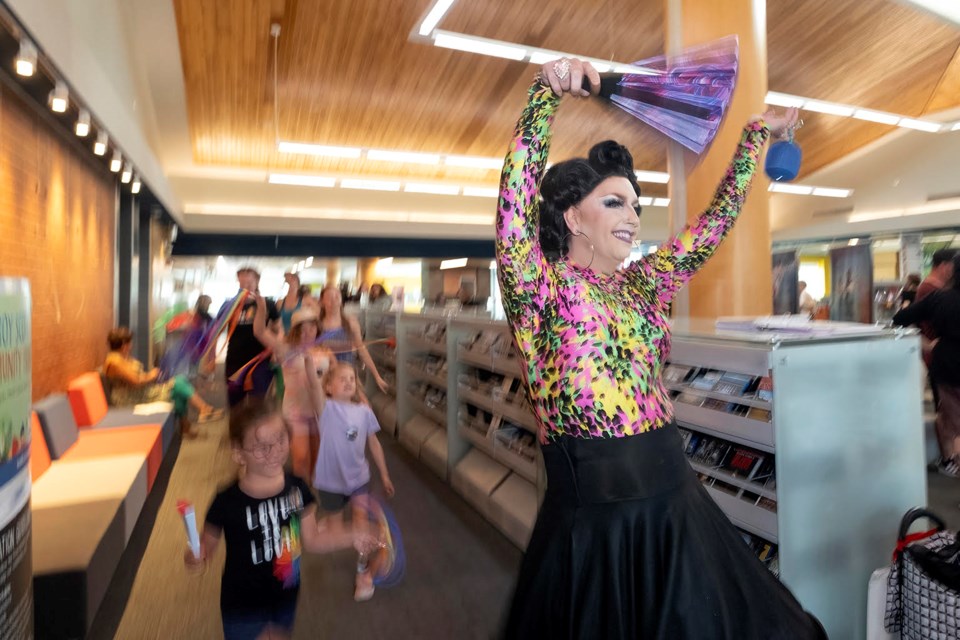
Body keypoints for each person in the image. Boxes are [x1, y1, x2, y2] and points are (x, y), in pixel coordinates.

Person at [496, 58, 823, 638]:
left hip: (675, 507)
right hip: (597, 527)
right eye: (615, 202)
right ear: (573, 216)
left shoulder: (643, 284)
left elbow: (717, 221)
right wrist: (544, 97)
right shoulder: (539, 290)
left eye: (636, 206)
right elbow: (514, 208)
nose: (633, 217)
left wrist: (756, 133)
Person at [186, 399, 376, 640]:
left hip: (285, 597)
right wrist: (195, 556)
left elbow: (314, 539)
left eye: (280, 440)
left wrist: (353, 533)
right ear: (238, 453)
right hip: (242, 604)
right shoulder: (226, 501)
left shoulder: (297, 489)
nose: (274, 452)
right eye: (261, 447)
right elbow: (206, 547)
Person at [313, 362, 395, 602]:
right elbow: (312, 383)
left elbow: (374, 444)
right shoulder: (325, 409)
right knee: (338, 531)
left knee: (360, 528)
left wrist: (385, 474)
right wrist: (309, 363)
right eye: (342, 379)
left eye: (352, 378)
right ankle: (330, 525)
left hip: (359, 478)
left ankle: (363, 573)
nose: (349, 382)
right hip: (329, 482)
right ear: (328, 387)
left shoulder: (364, 411)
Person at [253, 298, 333, 481]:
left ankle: (309, 493)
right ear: (295, 330)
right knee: (301, 457)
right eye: (302, 328)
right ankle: (301, 497)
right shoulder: (287, 349)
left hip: (320, 411)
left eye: (312, 327)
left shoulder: (324, 350)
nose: (308, 332)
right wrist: (262, 308)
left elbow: (334, 377)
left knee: (319, 458)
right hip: (296, 413)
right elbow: (259, 331)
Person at [895, 254, 960, 477]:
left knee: (950, 420)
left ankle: (949, 461)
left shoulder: (939, 299)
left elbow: (900, 319)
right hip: (947, 366)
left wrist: (929, 345)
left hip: (947, 367)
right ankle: (949, 461)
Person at [104, 327, 222, 436]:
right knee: (179, 383)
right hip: (129, 397)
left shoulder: (123, 357)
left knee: (178, 389)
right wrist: (151, 374)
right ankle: (203, 409)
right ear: (124, 344)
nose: (131, 345)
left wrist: (151, 375)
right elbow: (136, 381)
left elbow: (137, 377)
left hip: (141, 391)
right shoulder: (114, 362)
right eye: (129, 342)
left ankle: (186, 426)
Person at [218, 267, 281, 407]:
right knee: (234, 402)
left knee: (258, 404)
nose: (245, 286)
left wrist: (276, 350)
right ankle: (236, 429)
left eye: (249, 282)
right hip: (235, 360)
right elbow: (216, 330)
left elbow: (279, 329)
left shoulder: (267, 304)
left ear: (257, 281)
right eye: (242, 283)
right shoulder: (230, 305)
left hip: (260, 360)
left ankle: (258, 429)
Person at [317, 285, 389, 392]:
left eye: (337, 296)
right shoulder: (317, 325)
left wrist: (376, 376)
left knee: (361, 403)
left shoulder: (351, 322)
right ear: (322, 302)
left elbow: (362, 350)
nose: (334, 300)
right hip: (326, 375)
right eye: (330, 297)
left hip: (348, 374)